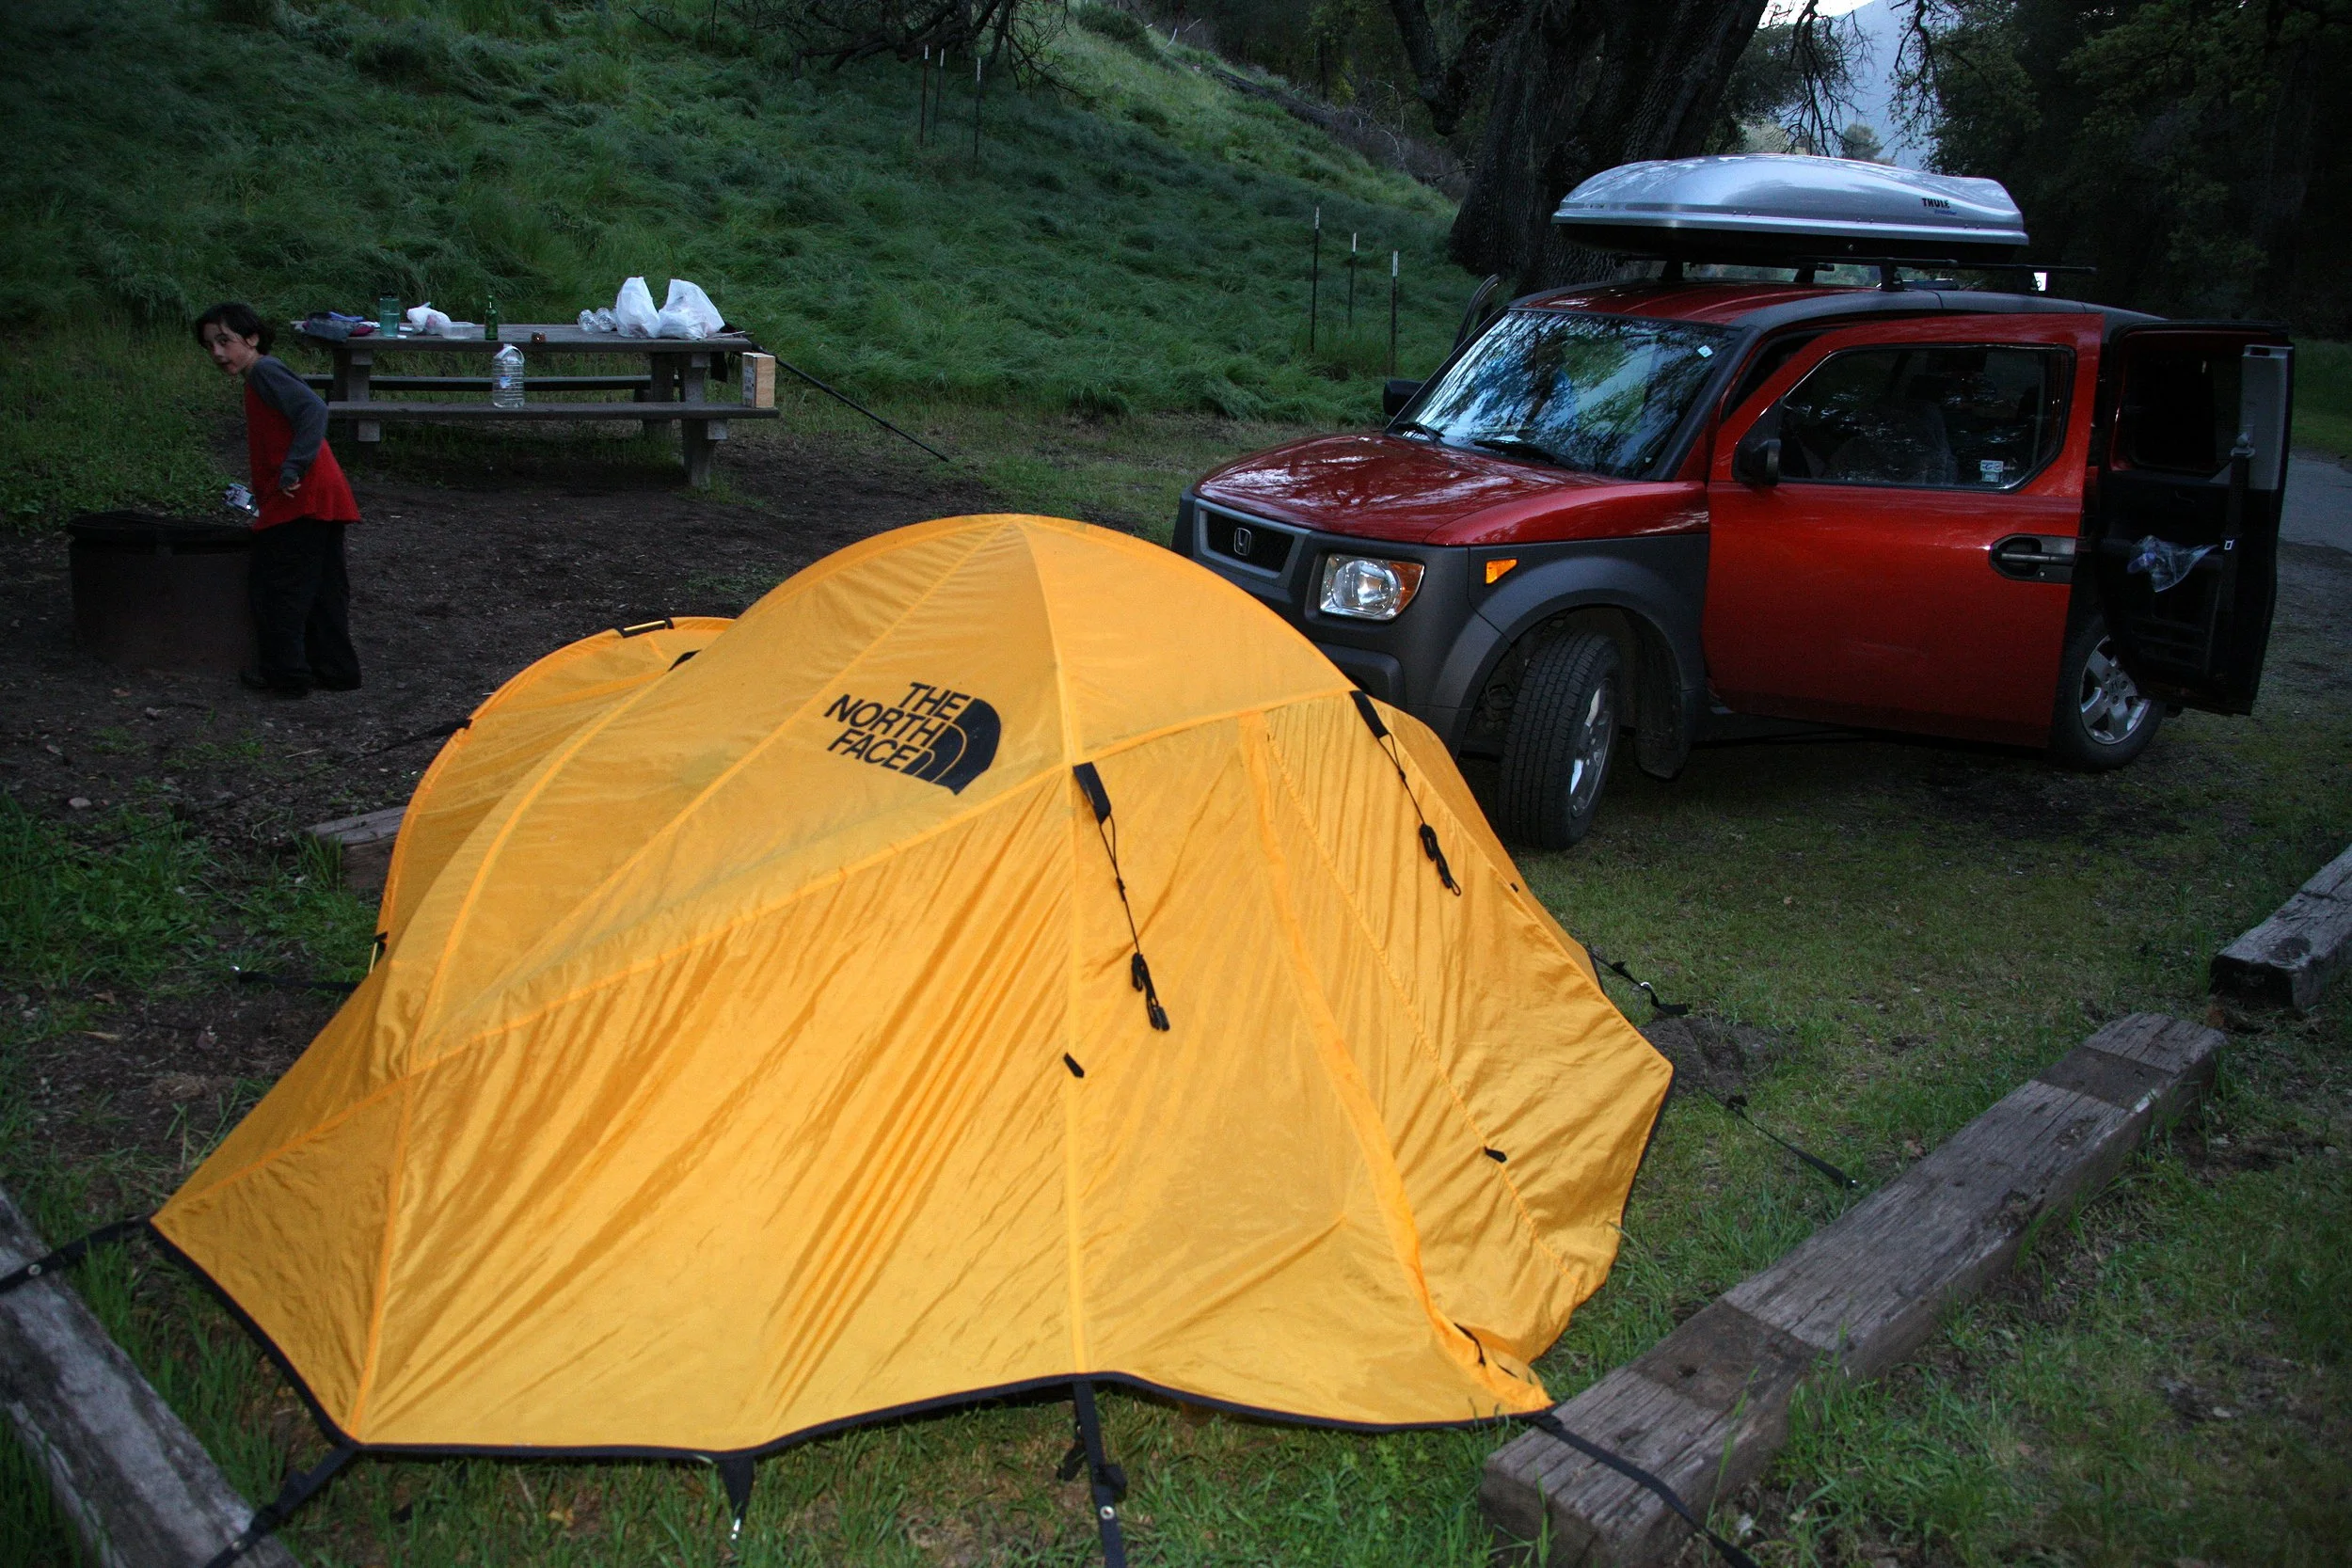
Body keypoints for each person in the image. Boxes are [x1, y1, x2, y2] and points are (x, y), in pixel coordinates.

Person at [194, 302, 363, 696]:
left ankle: (286, 676)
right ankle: (336, 669)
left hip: (302, 497)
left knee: (279, 588)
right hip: (319, 494)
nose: (218, 353)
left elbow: (313, 409)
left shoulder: (265, 371)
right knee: (323, 587)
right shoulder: (262, 376)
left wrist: (292, 468)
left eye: (225, 341)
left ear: (251, 339)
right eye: (209, 346)